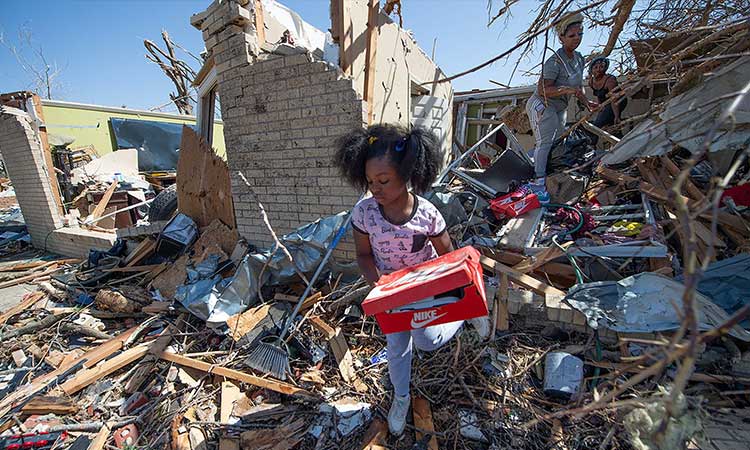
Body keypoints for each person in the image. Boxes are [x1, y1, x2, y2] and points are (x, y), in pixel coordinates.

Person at [333, 124, 463, 436]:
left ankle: (463, 316)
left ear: (406, 175)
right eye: (369, 182)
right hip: (390, 292)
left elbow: (450, 255)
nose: (374, 188)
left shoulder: (428, 215)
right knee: (396, 348)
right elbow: (364, 256)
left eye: (383, 180)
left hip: (425, 288)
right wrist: (379, 285)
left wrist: (450, 292)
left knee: (426, 340)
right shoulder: (364, 214)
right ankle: (400, 398)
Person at [525, 12, 598, 194]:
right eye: (572, 36)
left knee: (557, 142)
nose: (577, 39)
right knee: (545, 142)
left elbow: (578, 88)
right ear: (561, 37)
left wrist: (587, 103)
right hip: (542, 104)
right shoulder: (555, 62)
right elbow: (543, 90)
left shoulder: (579, 59)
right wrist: (566, 90)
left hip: (560, 107)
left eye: (580, 34)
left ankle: (541, 170)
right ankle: (538, 181)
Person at [589, 56, 627, 129]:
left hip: (618, 102)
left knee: (598, 124)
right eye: (595, 67)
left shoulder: (610, 80)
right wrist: (601, 108)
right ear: (591, 69)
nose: (598, 70)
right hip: (606, 103)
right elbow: (599, 96)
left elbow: (614, 99)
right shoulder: (591, 82)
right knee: (609, 123)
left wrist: (617, 116)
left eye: (601, 67)